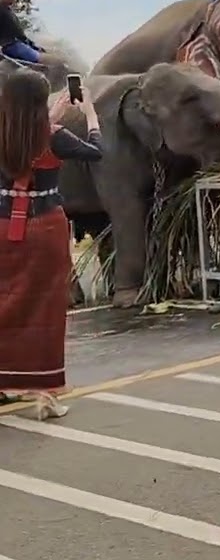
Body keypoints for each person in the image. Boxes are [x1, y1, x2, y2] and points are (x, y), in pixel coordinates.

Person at [0, 69, 104, 420]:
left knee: (4, 302)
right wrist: (90, 116)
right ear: (39, 104)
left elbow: (22, 142)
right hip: (44, 228)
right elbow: (97, 153)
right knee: (45, 309)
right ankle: (45, 395)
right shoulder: (55, 136)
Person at [0, 0, 68, 76]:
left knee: (55, 54)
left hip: (19, 45)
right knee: (56, 60)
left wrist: (34, 45)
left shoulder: (7, 11)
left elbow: (19, 34)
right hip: (12, 47)